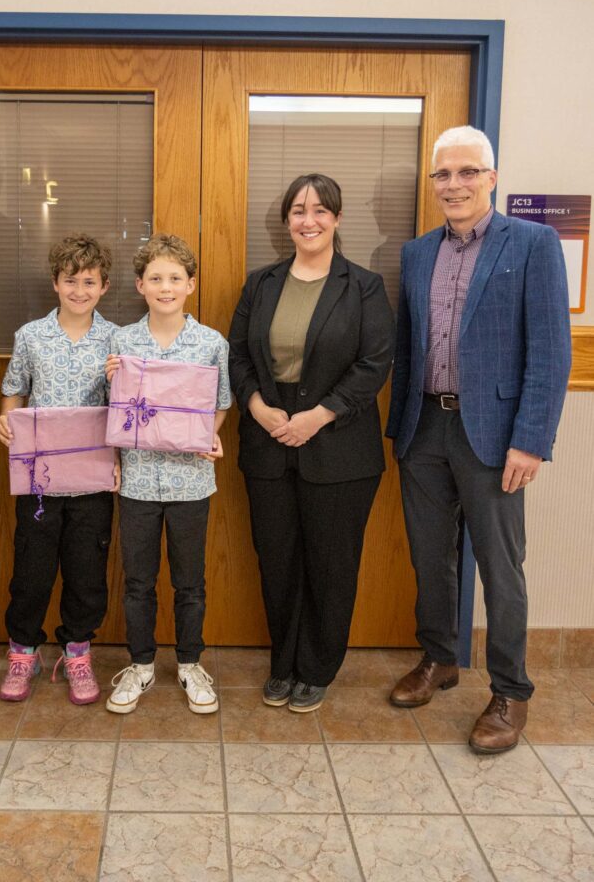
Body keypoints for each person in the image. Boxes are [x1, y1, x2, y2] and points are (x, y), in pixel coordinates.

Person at [386, 125, 571, 754]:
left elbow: (551, 350)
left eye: (467, 172)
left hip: (496, 436)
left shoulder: (535, 243)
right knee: (430, 556)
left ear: (491, 177)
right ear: (432, 182)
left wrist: (531, 441)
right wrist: (400, 432)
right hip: (424, 428)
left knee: (500, 567)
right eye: (443, 174)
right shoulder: (416, 254)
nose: (454, 184)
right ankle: (439, 660)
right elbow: (409, 350)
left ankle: (511, 691)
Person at [229, 174, 395, 712]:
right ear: (286, 221)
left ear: (338, 219)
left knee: (330, 563)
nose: (309, 220)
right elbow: (238, 355)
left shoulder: (364, 286)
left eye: (321, 210)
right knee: (276, 559)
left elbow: (374, 365)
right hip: (268, 446)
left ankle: (317, 667)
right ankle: (284, 662)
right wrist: (256, 406)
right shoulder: (261, 283)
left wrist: (316, 417)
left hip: (340, 450)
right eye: (299, 210)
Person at [104, 234, 231, 715]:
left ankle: (190, 663)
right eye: (155, 278)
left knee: (190, 581)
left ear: (191, 285)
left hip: (191, 481)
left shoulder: (210, 343)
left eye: (175, 278)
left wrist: (206, 435)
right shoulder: (122, 342)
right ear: (140, 285)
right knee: (137, 580)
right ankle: (140, 666)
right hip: (136, 480)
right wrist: (111, 377)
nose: (165, 286)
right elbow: (111, 409)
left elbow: (220, 405)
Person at [0, 235, 119, 704]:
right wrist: (5, 421)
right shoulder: (30, 336)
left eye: (89, 282)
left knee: (87, 572)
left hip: (92, 480)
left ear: (104, 286)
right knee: (31, 570)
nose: (79, 290)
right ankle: (23, 651)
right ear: (55, 283)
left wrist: (119, 464)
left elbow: (122, 408)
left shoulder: (116, 339)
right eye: (71, 281)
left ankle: (78, 651)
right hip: (39, 481)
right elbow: (14, 390)